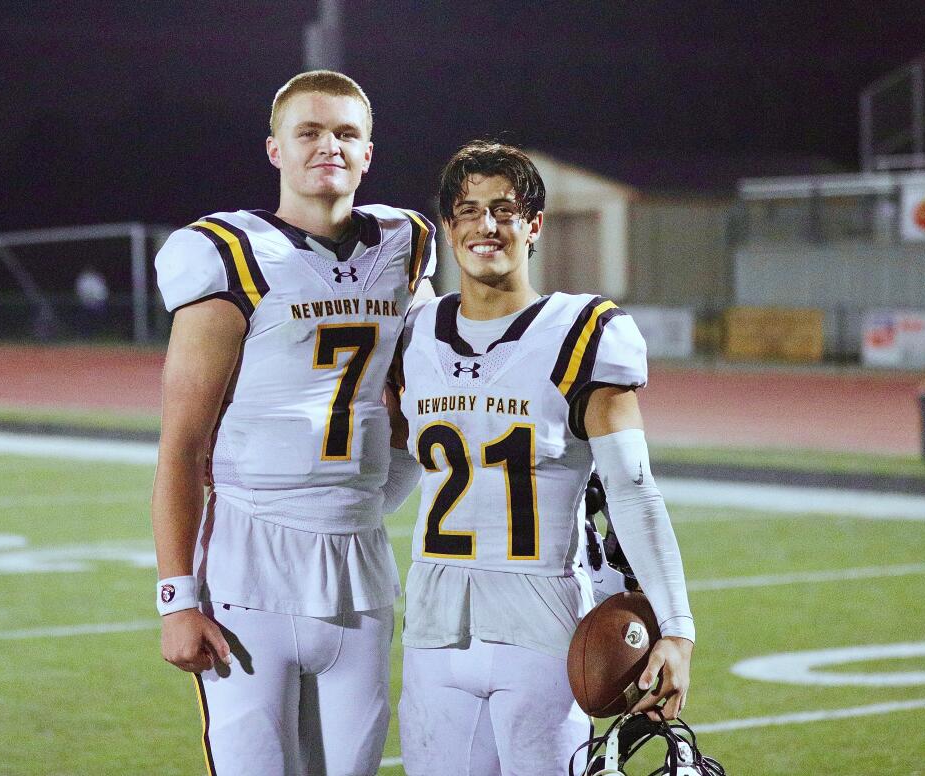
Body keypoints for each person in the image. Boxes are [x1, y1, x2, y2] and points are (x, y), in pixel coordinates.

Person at [150, 70, 435, 776]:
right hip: (251, 556)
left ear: (368, 153)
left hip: (360, 564)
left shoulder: (406, 246)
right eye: (308, 131)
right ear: (274, 149)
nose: (328, 146)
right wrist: (176, 599)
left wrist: (370, 494)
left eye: (346, 133)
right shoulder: (230, 254)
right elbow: (181, 447)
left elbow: (418, 411)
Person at [393, 141, 695, 775]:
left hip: (541, 631)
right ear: (449, 227)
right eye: (469, 210)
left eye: (505, 210)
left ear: (533, 225)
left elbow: (634, 489)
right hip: (432, 629)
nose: (486, 226)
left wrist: (677, 628)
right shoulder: (413, 334)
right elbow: (397, 466)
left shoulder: (581, 330)